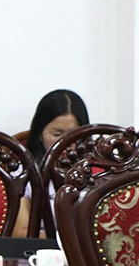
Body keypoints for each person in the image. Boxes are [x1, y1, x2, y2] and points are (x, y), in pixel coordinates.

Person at [15, 90, 89, 237]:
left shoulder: (97, 169)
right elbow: (20, 233)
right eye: (57, 134)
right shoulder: (23, 172)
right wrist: (68, 242)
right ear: (39, 134)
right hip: (43, 249)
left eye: (74, 135)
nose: (66, 142)